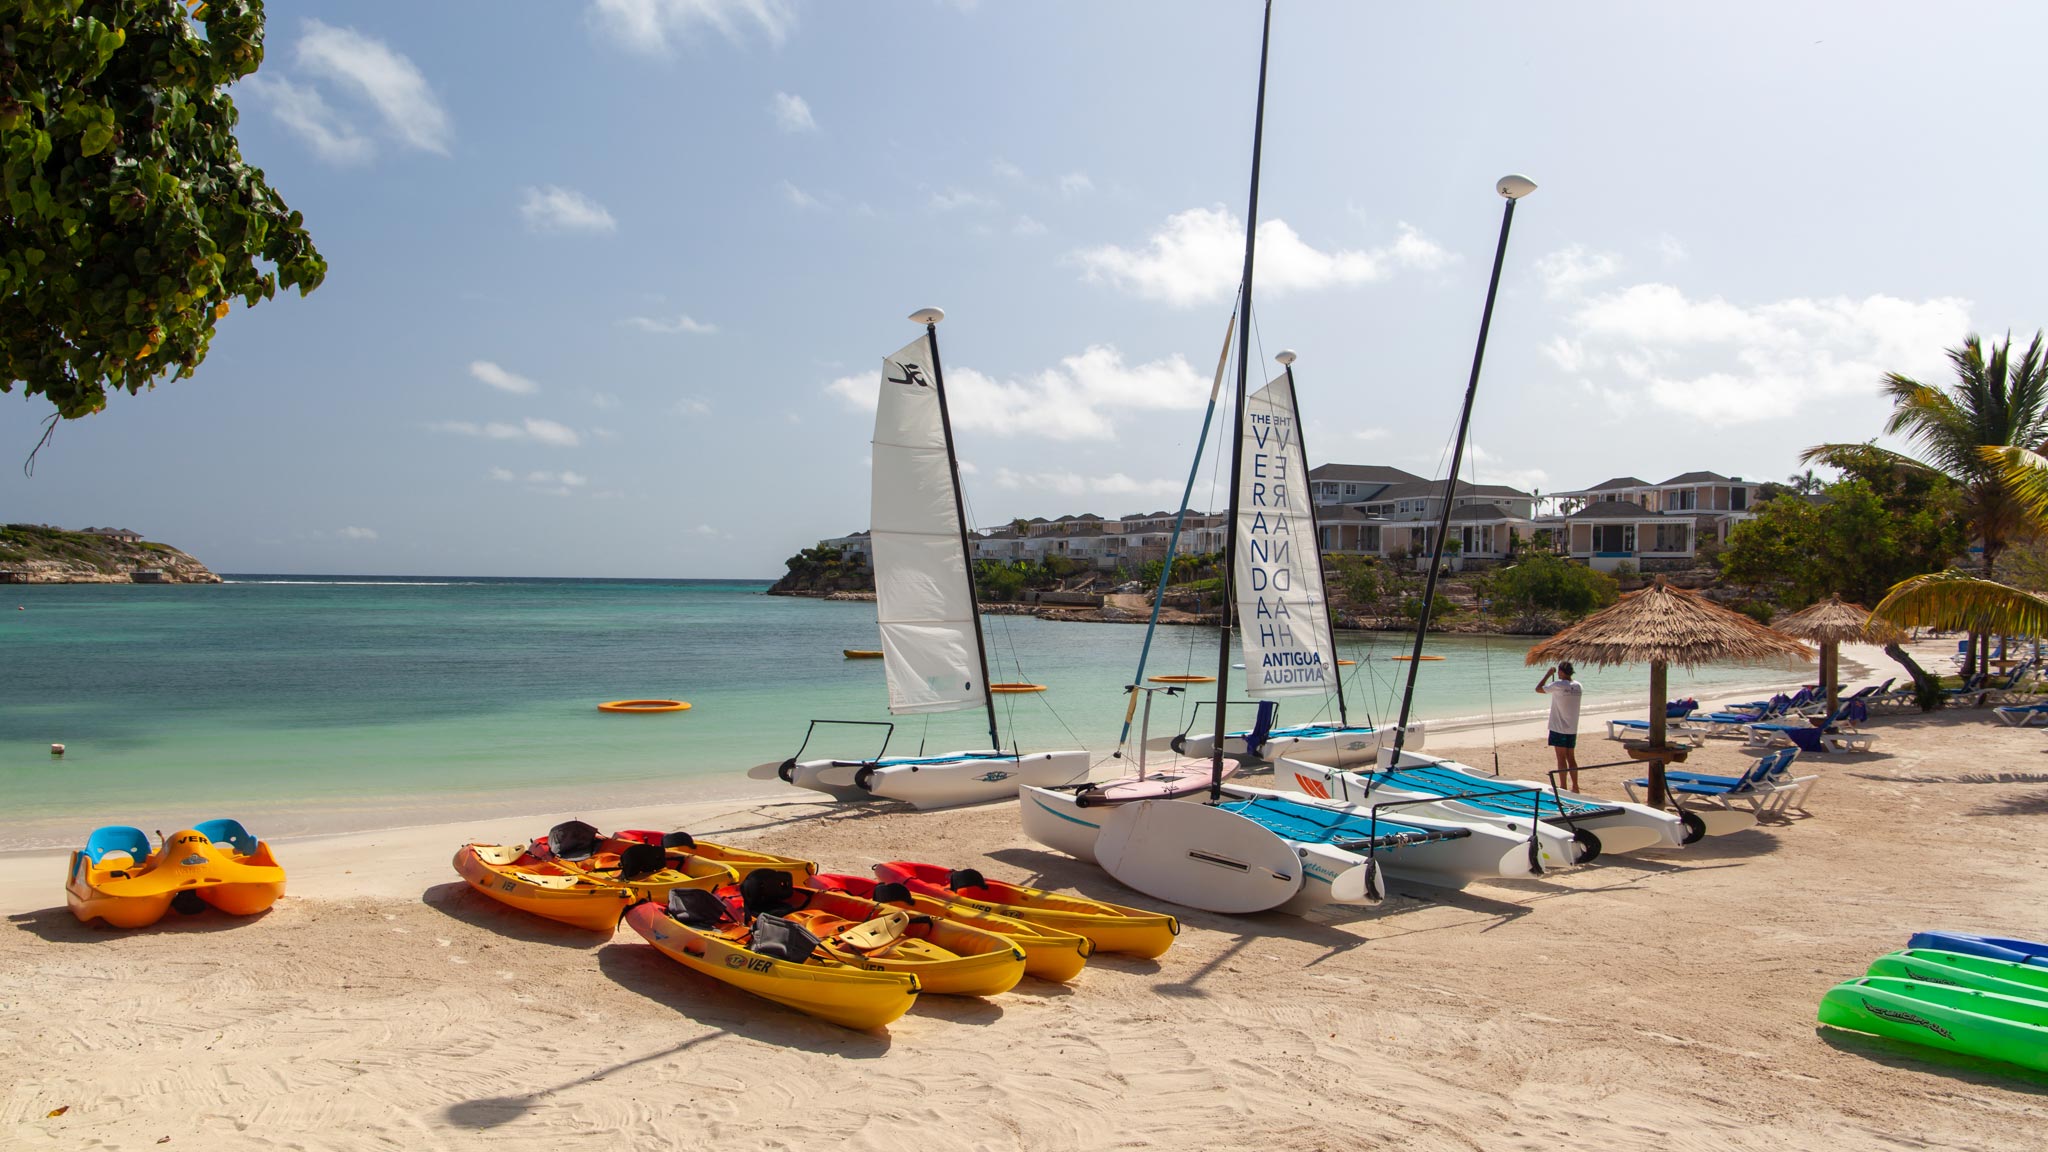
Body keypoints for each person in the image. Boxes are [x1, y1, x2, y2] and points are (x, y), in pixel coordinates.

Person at [1536, 662, 1583, 791]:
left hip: (1559, 727)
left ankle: (1563, 786)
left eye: (1558, 672)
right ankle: (1575, 785)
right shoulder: (1578, 686)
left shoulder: (1558, 685)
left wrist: (1547, 674)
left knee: (1561, 757)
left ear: (1562, 672)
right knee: (1571, 757)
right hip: (1572, 727)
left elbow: (1538, 689)